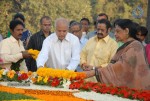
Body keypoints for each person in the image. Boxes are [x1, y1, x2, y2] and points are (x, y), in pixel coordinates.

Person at [83, 19, 150, 90]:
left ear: (126, 31)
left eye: (118, 31)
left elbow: (120, 67)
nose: (115, 34)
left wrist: (93, 72)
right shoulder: (128, 45)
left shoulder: (135, 46)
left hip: (136, 89)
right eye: (115, 31)